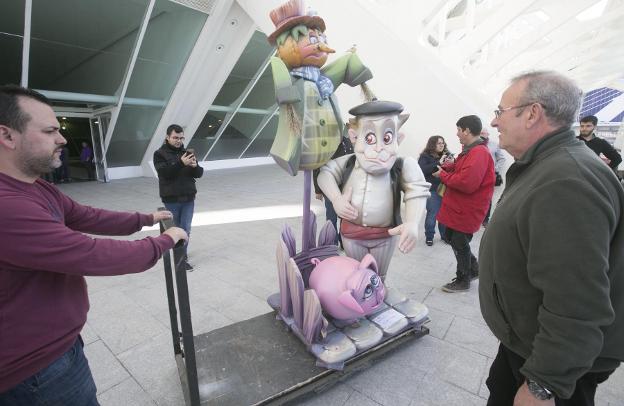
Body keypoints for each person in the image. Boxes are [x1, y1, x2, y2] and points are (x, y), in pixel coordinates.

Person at [0, 85, 188, 406]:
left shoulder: (36, 187)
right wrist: (164, 240)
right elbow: (90, 254)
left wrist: (144, 217)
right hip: (35, 372)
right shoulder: (8, 206)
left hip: (57, 348)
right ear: (7, 136)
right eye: (50, 131)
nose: (61, 139)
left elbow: (85, 215)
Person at [479, 71, 624, 405]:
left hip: (556, 367)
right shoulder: (548, 164)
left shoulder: (566, 180)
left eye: (500, 111)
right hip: (531, 346)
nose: (494, 120)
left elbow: (577, 301)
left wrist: (544, 385)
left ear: (532, 113)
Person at [317, 100, 430, 282]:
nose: (378, 148)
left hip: (385, 236)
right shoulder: (348, 162)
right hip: (352, 235)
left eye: (386, 138)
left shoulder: (403, 165)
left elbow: (416, 190)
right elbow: (325, 174)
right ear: (354, 137)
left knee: (378, 277)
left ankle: (377, 299)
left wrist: (412, 222)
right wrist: (336, 199)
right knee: (355, 275)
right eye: (369, 138)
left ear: (398, 138)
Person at [434, 115, 494, 293]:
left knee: (459, 242)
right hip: (459, 207)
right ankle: (473, 269)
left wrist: (443, 175)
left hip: (467, 208)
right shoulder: (471, 150)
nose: (457, 133)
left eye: (459, 130)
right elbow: (463, 170)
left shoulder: (479, 153)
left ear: (467, 130)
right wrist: (449, 167)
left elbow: (467, 183)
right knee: (453, 238)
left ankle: (463, 279)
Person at [153, 124, 204, 271]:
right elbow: (165, 173)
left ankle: (183, 256)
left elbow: (199, 174)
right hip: (172, 199)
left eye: (181, 138)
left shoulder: (186, 152)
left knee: (186, 229)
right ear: (167, 137)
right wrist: (181, 163)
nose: (179, 141)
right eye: (175, 137)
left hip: (188, 198)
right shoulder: (159, 154)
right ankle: (178, 259)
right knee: (175, 230)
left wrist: (194, 166)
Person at [313, 135, 354, 246]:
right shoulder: (326, 144)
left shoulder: (348, 141)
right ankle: (332, 243)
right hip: (330, 187)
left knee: (345, 216)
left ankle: (343, 240)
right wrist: (318, 190)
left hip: (346, 187)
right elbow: (317, 166)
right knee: (331, 216)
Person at [418, 135, 451, 245]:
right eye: (439, 143)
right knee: (433, 214)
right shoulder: (425, 156)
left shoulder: (446, 155)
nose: (442, 145)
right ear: (432, 144)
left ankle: (444, 236)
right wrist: (438, 163)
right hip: (432, 190)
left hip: (446, 189)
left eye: (443, 142)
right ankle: (429, 236)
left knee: (444, 215)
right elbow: (422, 170)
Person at [480, 128, 506, 227]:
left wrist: (495, 169)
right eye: (481, 133)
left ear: (488, 134)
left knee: (487, 198)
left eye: (484, 133)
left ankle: (485, 220)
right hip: (477, 174)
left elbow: (502, 158)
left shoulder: (494, 144)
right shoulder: (474, 144)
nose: (482, 135)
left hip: (489, 176)